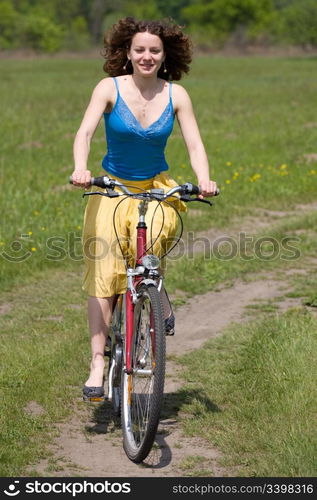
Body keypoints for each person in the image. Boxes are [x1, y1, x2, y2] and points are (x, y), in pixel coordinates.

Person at [71, 17, 218, 400]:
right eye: (140, 50)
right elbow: (85, 132)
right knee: (105, 273)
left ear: (165, 55)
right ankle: (98, 364)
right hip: (111, 188)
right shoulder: (109, 88)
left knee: (156, 237)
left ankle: (155, 293)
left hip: (155, 185)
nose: (147, 56)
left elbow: (195, 145)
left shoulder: (176, 95)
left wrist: (204, 180)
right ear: (128, 53)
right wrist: (81, 169)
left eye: (155, 50)